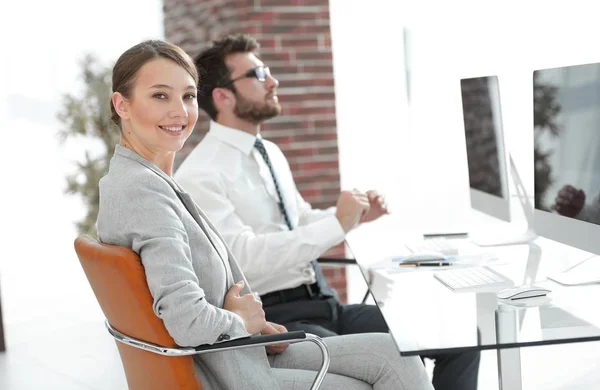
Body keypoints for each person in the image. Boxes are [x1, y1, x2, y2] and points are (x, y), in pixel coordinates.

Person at [96, 39, 433, 390]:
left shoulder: (148, 181)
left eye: (188, 96)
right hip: (226, 368)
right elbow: (185, 318)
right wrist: (239, 321)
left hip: (239, 347)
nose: (180, 112)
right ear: (122, 104)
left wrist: (250, 324)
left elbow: (188, 287)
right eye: (160, 96)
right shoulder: (142, 191)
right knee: (382, 371)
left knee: (394, 352)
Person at [174, 34, 480, 390]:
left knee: (458, 337)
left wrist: (352, 217)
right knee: (394, 359)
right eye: (258, 75)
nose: (273, 81)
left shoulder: (269, 152)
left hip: (324, 305)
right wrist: (337, 222)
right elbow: (245, 259)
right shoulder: (200, 174)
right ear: (223, 96)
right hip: (277, 319)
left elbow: (298, 219)